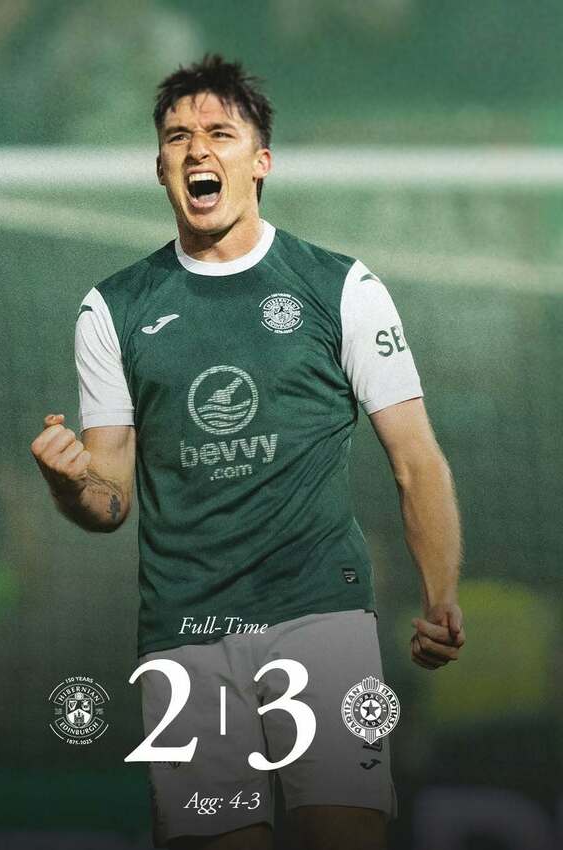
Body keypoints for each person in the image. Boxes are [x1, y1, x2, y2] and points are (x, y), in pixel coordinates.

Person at [31, 54, 465, 850]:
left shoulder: (341, 288)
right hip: (184, 634)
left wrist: (441, 600)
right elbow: (110, 500)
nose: (197, 149)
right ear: (159, 167)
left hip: (322, 616)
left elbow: (416, 460)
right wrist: (69, 484)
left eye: (219, 133)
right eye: (177, 137)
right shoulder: (112, 309)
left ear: (260, 161)